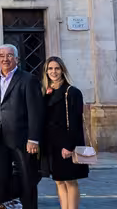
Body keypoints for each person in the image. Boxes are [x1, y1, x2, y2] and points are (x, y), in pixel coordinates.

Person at [0, 45, 42, 209]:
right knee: (1, 179)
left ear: (17, 59)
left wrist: (33, 139)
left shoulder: (28, 79)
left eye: (10, 55)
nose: (5, 59)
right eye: (2, 56)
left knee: (27, 178)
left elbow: (35, 111)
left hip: (22, 138)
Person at [40, 57, 87, 209]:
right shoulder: (46, 92)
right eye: (50, 69)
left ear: (62, 70)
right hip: (51, 143)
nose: (53, 72)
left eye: (57, 68)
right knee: (59, 181)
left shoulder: (72, 92)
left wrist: (69, 146)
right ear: (46, 71)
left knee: (70, 180)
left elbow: (76, 122)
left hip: (66, 142)